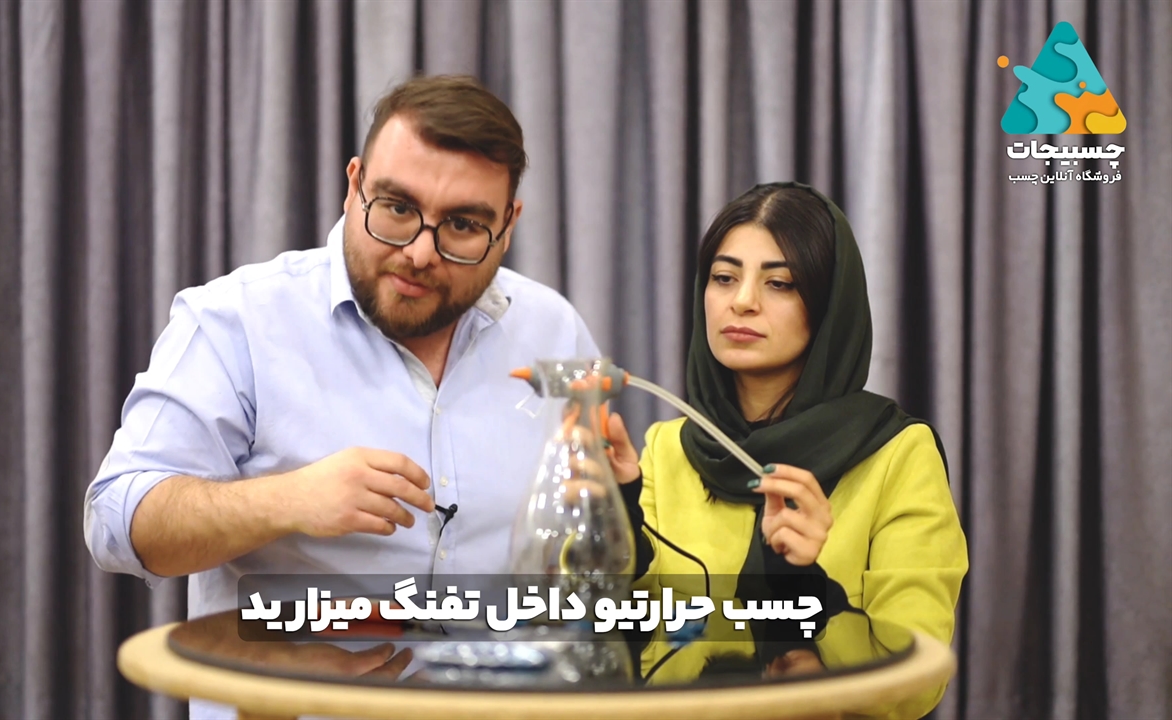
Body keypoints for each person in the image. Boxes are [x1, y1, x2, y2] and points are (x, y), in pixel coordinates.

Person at [84, 73, 599, 622]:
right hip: (289, 680)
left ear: (508, 225)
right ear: (354, 187)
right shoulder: (237, 321)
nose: (421, 254)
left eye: (463, 225)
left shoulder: (554, 332)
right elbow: (116, 524)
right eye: (397, 208)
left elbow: (596, 540)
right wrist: (286, 500)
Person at [601, 182, 968, 717]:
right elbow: (610, 650)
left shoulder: (897, 454)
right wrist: (616, 528)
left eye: (779, 283)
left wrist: (802, 591)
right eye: (724, 278)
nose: (742, 301)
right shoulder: (668, 448)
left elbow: (912, 686)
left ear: (828, 305)